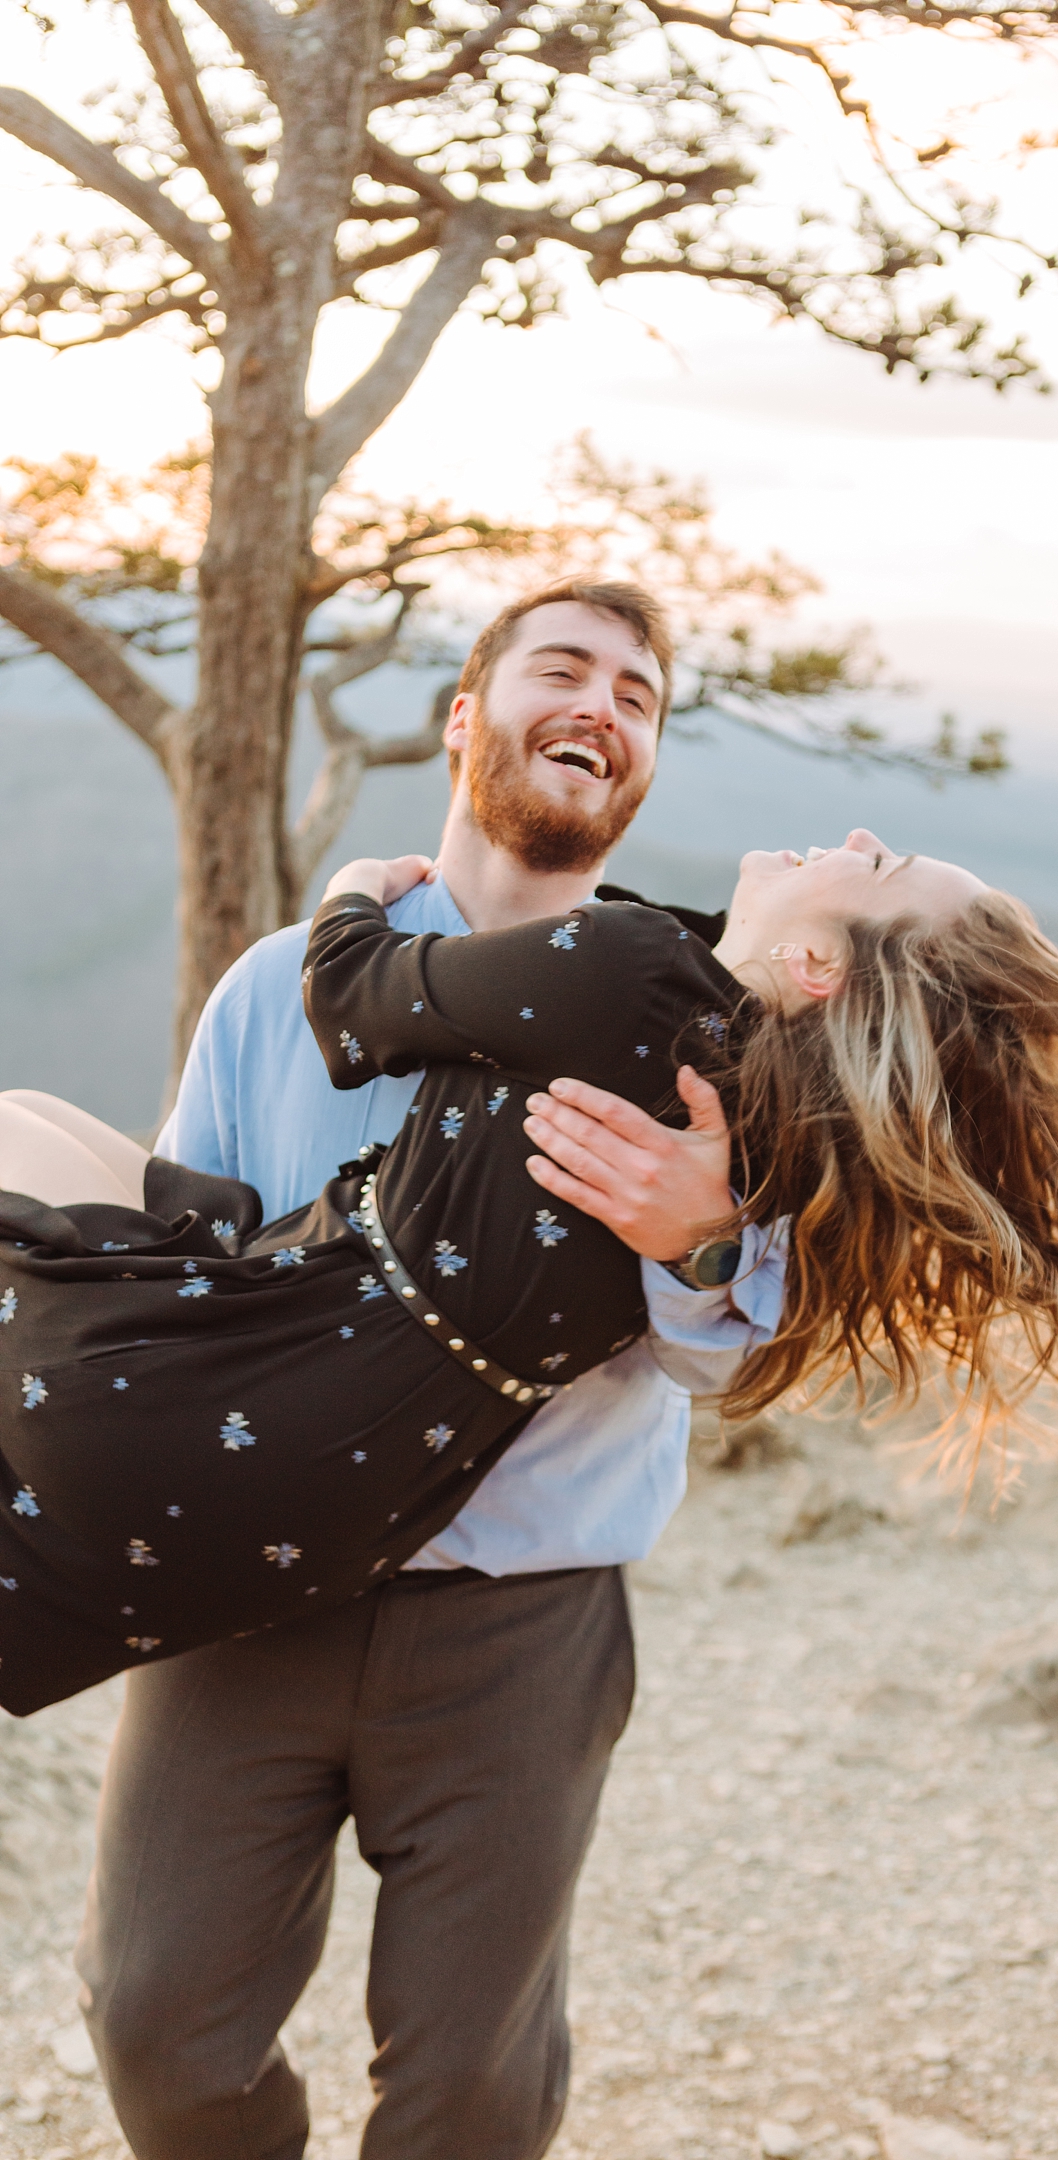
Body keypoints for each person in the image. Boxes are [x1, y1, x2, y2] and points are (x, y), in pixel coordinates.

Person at [28, 576, 775, 2160]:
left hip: (522, 1621)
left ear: (643, 764)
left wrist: (706, 1238)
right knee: (158, 2024)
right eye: (561, 670)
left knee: (471, 2094)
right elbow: (185, 1265)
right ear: (465, 716)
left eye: (637, 698)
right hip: (247, 1595)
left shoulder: (700, 1026)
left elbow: (749, 1350)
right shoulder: (273, 987)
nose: (600, 706)